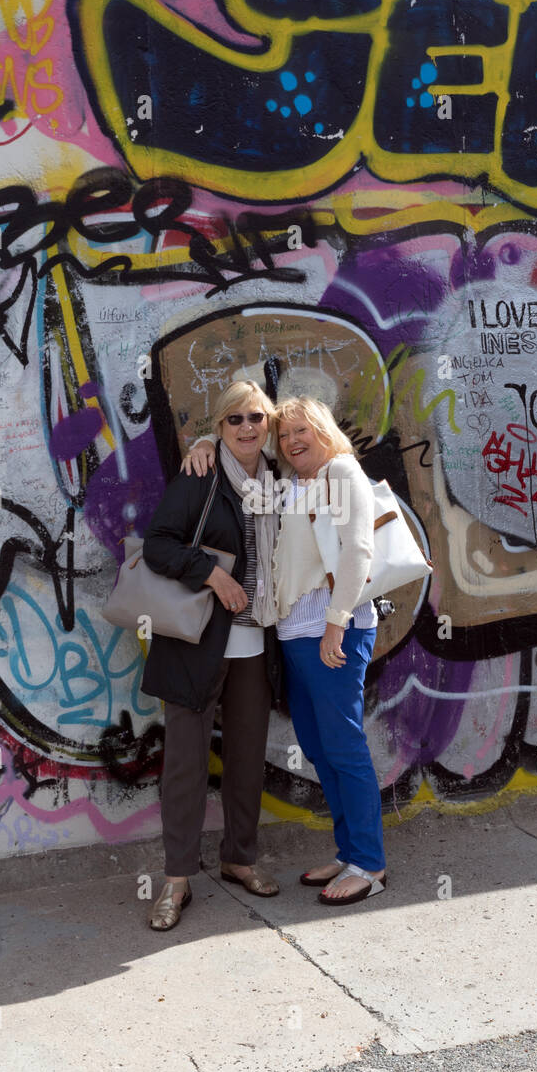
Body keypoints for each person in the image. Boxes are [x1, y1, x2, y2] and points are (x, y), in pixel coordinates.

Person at [183, 396, 386, 907]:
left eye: (303, 430)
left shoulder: (340, 471)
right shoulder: (290, 483)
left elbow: (360, 549)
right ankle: (348, 853)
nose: (293, 441)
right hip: (296, 633)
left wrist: (337, 625)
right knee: (319, 747)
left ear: (323, 430)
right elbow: (238, 460)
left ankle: (370, 863)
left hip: (332, 630)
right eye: (286, 433)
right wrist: (206, 441)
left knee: (343, 745)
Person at [141, 381, 281, 931]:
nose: (247, 428)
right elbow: (158, 544)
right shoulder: (201, 473)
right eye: (233, 420)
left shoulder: (279, 477)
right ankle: (176, 880)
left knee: (248, 757)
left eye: (256, 418)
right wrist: (212, 573)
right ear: (219, 426)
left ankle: (239, 858)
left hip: (256, 642)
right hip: (198, 643)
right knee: (185, 764)